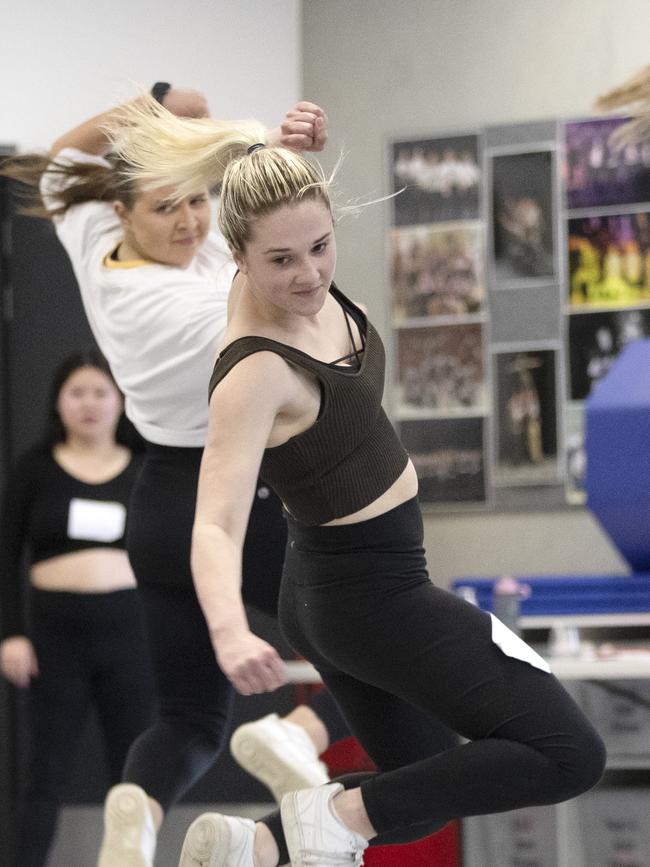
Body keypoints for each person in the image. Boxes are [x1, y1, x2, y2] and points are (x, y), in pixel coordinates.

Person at [110, 102, 607, 867]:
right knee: (568, 752)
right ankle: (328, 818)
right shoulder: (254, 369)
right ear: (237, 259)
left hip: (332, 586)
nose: (307, 274)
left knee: (421, 787)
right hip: (371, 595)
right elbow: (213, 523)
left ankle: (259, 843)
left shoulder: (280, 265)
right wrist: (227, 631)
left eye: (319, 246)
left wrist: (280, 148)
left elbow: (262, 190)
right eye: (281, 261)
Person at [1, 88, 354, 867]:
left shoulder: (95, 236)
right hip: (237, 495)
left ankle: (139, 804)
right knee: (373, 658)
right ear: (126, 212)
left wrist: (158, 104)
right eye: (169, 209)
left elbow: (66, 152)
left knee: (190, 717)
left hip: (158, 502)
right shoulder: (188, 304)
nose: (192, 222)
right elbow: (291, 281)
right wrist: (284, 152)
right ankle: (298, 732)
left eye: (197, 199)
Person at [0, 349, 154, 867]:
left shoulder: (143, 468)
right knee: (44, 772)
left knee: (133, 774)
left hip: (130, 637)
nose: (89, 404)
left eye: (100, 392)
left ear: (121, 402)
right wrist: (11, 634)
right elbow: (6, 554)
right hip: (53, 641)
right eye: (77, 393)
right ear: (58, 403)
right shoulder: (35, 469)